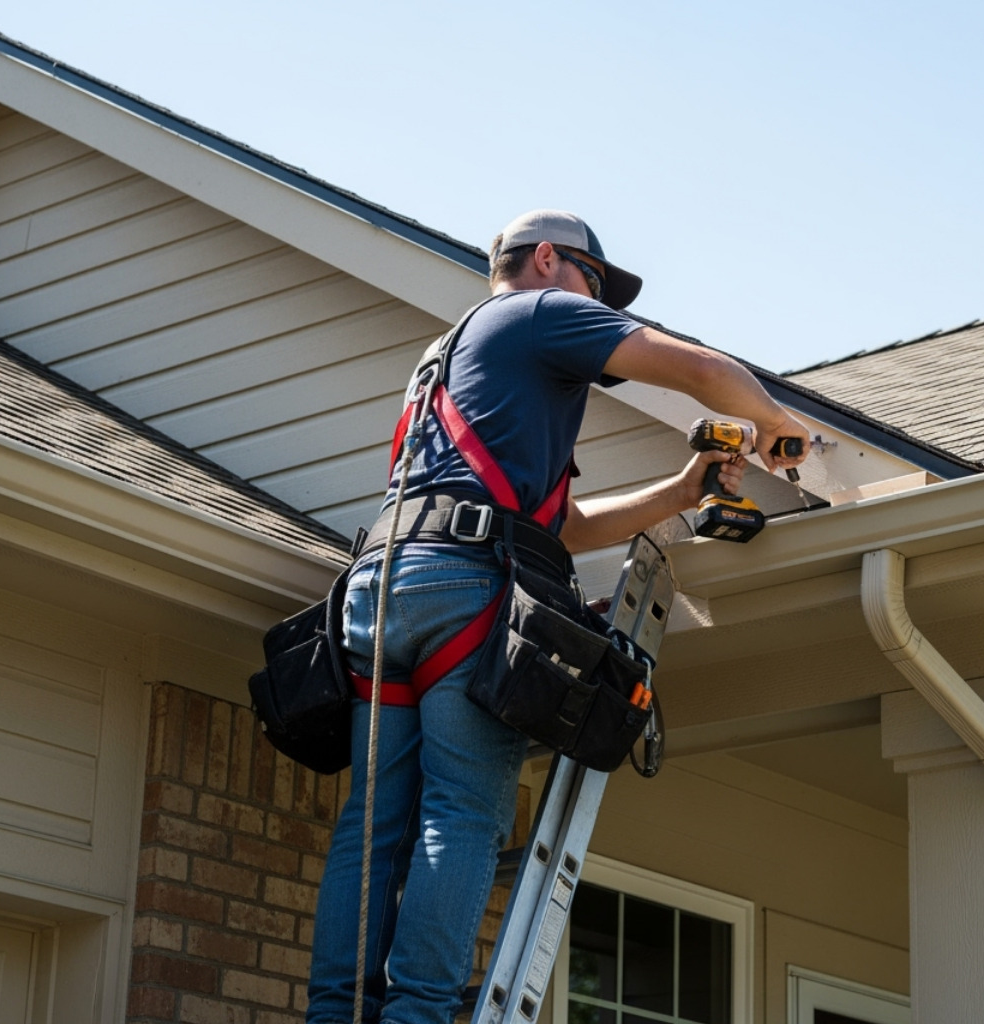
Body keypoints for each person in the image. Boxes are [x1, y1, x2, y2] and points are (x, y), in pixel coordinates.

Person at [306, 210, 807, 1024]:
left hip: (386, 587)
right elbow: (695, 366)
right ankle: (417, 1016)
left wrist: (682, 493)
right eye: (594, 283)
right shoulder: (539, 311)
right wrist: (786, 429)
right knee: (463, 811)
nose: (598, 303)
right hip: (462, 592)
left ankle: (336, 1014)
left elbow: (559, 527)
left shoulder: (450, 359)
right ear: (547, 259)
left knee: (372, 825)